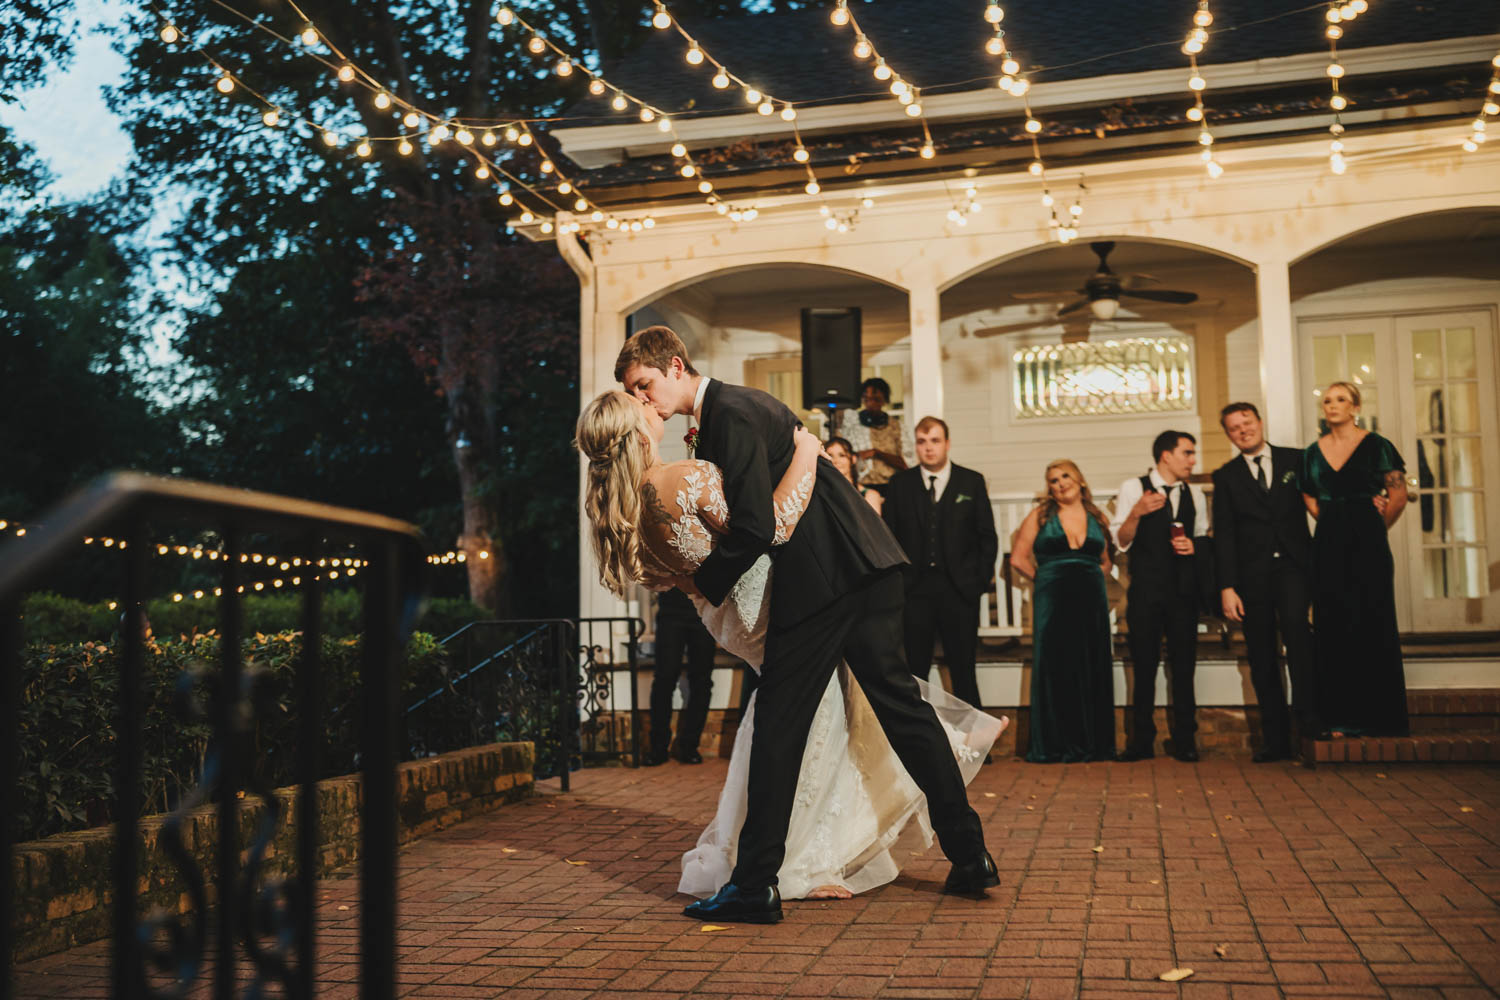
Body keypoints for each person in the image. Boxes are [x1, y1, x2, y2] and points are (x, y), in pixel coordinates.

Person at [604, 327, 1000, 924]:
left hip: (825, 584)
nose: (643, 399)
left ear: (676, 367)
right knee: (903, 713)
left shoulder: (731, 412)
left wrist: (704, 583)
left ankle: (755, 883)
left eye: (645, 384)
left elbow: (757, 528)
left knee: (779, 727)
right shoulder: (735, 409)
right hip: (868, 568)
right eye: (634, 391)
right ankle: (971, 856)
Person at [1300, 381, 1410, 737]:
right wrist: (1334, 521)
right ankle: (1337, 719)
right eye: (1327, 400)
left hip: (1369, 542)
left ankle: (1379, 718)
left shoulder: (1378, 446)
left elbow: (1398, 494)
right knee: (1333, 625)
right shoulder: (1310, 453)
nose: (1332, 405)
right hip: (1328, 544)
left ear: (1355, 407)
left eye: (1341, 400)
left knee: (1372, 620)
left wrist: (1376, 526)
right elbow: (1310, 499)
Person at [1212, 403, 1316, 761]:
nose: (1243, 431)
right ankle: (1276, 741)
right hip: (1250, 577)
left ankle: (1310, 730)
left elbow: (1321, 503)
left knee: (1299, 643)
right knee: (1261, 656)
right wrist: (1227, 586)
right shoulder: (1225, 476)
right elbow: (1223, 534)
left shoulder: (1296, 460)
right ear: (1228, 435)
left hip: (1292, 567)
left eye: (1247, 423)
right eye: (1234, 428)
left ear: (1259, 422)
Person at [881, 417, 998, 710]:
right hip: (914, 592)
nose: (928, 448)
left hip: (959, 591)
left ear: (946, 443)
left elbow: (987, 537)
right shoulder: (899, 484)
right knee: (914, 672)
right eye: (922, 442)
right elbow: (890, 538)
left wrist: (978, 582)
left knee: (963, 669)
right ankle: (918, 747)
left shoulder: (971, 481)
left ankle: (973, 745)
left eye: (934, 441)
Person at [1110, 431, 1211, 762]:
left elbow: (1203, 539)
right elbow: (1121, 542)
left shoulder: (1194, 494)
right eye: (1188, 453)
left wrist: (1194, 547)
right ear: (1166, 456)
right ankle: (1141, 741)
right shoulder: (1133, 488)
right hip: (1146, 592)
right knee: (1144, 667)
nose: (1193, 460)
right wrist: (1137, 512)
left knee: (1184, 668)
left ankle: (1185, 740)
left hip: (1184, 592)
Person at [1009, 460, 1116, 763]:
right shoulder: (1040, 516)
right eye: (1053, 480)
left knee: (1090, 663)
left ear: (1080, 479)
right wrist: (1046, 577)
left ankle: (1095, 745)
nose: (1059, 483)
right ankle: (1053, 745)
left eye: (1065, 476)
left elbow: (1106, 560)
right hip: (1052, 599)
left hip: (1090, 600)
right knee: (1056, 665)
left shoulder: (1097, 516)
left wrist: (1092, 575)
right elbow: (1018, 558)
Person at [646, 588, 716, 765]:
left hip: (705, 609)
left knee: (702, 680)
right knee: (664, 678)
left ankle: (690, 746)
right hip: (671, 608)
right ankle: (658, 748)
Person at [841, 377, 914, 494]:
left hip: (891, 488)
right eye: (866, 399)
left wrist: (877, 453)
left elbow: (906, 464)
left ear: (884, 401)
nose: (870, 404)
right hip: (860, 488)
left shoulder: (897, 427)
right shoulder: (852, 427)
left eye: (876, 399)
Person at [825, 436, 883, 514]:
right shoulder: (822, 493)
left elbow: (873, 525)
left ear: (853, 459)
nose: (836, 461)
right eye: (830, 456)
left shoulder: (869, 495)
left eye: (842, 455)